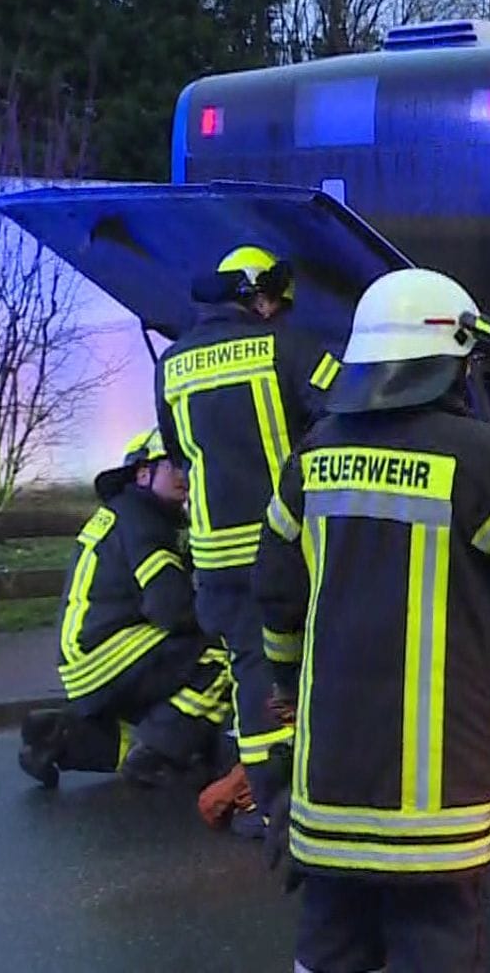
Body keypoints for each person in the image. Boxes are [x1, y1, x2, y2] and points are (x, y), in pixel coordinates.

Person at [251, 267, 490, 973]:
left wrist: (284, 679)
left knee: (331, 947)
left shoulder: (311, 457)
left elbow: (275, 595)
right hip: (436, 801)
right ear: (451, 363)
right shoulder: (479, 456)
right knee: (436, 948)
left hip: (329, 787)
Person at [154, 245, 339, 815]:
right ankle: (307, 795)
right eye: (276, 303)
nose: (280, 312)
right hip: (282, 545)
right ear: (258, 296)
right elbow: (346, 409)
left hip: (214, 557)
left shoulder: (172, 365)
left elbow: (178, 455)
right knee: (307, 661)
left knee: (249, 673)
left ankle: (265, 799)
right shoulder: (284, 345)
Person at [18, 430, 233, 789]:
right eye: (173, 464)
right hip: (106, 651)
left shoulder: (127, 512)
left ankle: (58, 739)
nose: (184, 474)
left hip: (87, 656)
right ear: (142, 473)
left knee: (158, 706)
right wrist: (223, 615)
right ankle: (159, 752)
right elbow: (170, 607)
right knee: (220, 655)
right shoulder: (146, 522)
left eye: (187, 464)